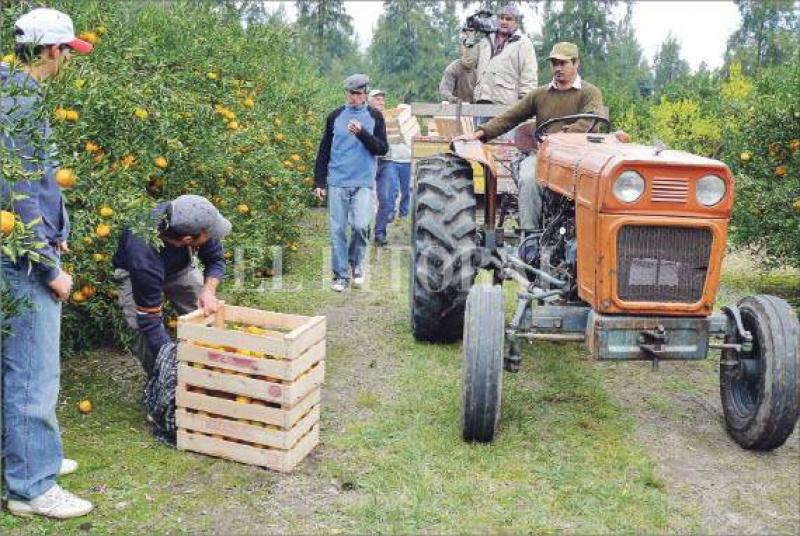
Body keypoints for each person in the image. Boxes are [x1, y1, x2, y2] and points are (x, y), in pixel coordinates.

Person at [1, 7, 95, 519]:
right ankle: (31, 487)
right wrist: (48, 267)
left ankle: (30, 459)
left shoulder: (12, 88)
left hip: (26, 250)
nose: (69, 63)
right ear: (52, 50)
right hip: (19, 261)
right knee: (33, 373)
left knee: (15, 368)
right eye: (67, 53)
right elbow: (15, 195)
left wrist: (59, 233)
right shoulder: (18, 100)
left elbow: (37, 186)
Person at [455, 42, 613, 230]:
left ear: (576, 63)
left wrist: (559, 138)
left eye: (563, 63)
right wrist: (479, 134)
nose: (558, 68)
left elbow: (589, 120)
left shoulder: (589, 93)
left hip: (580, 160)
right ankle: (529, 238)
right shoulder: (540, 94)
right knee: (530, 178)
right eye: (554, 63)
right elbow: (510, 117)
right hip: (543, 157)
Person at [112, 195, 230, 378]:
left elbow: (215, 260)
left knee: (204, 315)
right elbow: (149, 320)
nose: (212, 235)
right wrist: (170, 361)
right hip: (135, 274)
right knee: (142, 329)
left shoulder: (192, 217)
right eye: (209, 233)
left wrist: (208, 292)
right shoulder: (142, 254)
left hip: (178, 268)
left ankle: (210, 372)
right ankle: (162, 380)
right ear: (187, 240)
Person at [314, 74, 388, 290]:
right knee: (337, 229)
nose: (352, 97)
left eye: (357, 93)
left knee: (360, 225)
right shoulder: (335, 116)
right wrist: (319, 182)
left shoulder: (375, 117)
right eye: (350, 93)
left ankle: (356, 262)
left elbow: (382, 149)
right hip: (337, 180)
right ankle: (340, 276)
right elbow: (324, 150)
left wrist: (362, 133)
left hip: (363, 181)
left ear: (365, 94)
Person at [462, 4, 537, 109]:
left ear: (516, 23)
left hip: (507, 106)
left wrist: (524, 106)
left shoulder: (523, 43)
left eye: (508, 19)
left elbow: (529, 78)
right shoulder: (486, 41)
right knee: (480, 126)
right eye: (501, 18)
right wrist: (469, 37)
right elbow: (467, 62)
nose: (504, 21)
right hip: (481, 102)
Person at [368, 89, 412, 246]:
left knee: (386, 198)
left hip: (387, 161)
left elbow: (404, 134)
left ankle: (380, 233)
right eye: (377, 99)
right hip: (368, 161)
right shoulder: (364, 116)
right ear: (369, 100)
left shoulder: (390, 118)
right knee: (363, 198)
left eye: (382, 99)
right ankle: (362, 229)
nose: (380, 101)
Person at [439, 29, 478, 103]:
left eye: (471, 48)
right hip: (455, 109)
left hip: (476, 110)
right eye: (466, 47)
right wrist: (455, 100)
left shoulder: (480, 69)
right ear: (461, 49)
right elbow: (444, 91)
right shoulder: (453, 68)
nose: (468, 51)